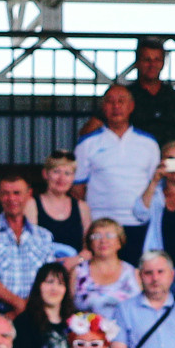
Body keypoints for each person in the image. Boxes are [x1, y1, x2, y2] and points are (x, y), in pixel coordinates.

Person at [0, 173, 72, 316]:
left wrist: (25, 310)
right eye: (5, 194)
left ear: (29, 194)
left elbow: (49, 278)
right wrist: (20, 305)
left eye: (17, 193)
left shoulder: (43, 236)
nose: (11, 199)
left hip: (34, 314)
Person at [74, 85, 161, 257]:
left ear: (131, 106)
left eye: (121, 101)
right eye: (110, 102)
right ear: (103, 107)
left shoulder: (149, 143)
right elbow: (77, 189)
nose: (116, 107)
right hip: (100, 225)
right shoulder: (87, 143)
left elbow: (155, 185)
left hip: (138, 224)